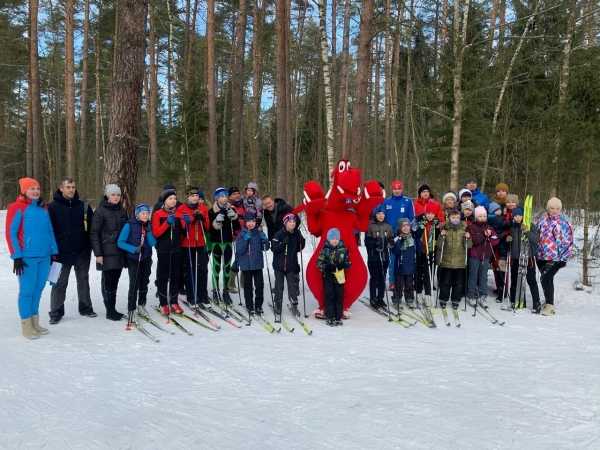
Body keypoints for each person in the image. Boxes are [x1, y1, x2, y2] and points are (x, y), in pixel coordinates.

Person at [5, 177, 58, 339]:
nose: (35, 191)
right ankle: (26, 325)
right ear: (24, 191)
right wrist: (17, 256)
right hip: (27, 258)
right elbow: (11, 233)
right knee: (27, 291)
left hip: (45, 256)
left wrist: (53, 252)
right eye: (31, 189)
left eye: (37, 189)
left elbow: (49, 231)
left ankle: (35, 322)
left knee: (38, 290)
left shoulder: (43, 208)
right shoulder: (16, 208)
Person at [48, 177, 96, 324]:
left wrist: (91, 247)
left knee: (83, 280)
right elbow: (49, 231)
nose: (71, 189)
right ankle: (56, 312)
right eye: (68, 187)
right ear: (61, 188)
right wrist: (52, 252)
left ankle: (85, 307)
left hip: (82, 251)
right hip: (60, 253)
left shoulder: (83, 206)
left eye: (73, 187)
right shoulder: (52, 207)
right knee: (59, 283)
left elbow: (92, 229)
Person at [90, 184, 128, 321]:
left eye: (118, 195)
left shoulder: (122, 211)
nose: (116, 197)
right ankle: (110, 311)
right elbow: (94, 233)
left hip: (120, 252)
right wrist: (98, 254)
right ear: (107, 195)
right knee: (108, 282)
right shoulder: (100, 211)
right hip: (106, 252)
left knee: (115, 281)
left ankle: (113, 308)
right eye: (113, 194)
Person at [117, 204, 157, 319]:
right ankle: (131, 308)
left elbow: (153, 243)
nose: (145, 215)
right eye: (143, 213)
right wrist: (134, 249)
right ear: (137, 215)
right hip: (134, 259)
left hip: (146, 258)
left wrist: (149, 232)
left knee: (144, 282)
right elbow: (120, 242)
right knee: (134, 284)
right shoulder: (129, 225)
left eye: (147, 213)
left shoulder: (149, 225)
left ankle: (141, 305)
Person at [535, 197, 573, 316]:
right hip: (541, 256)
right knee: (547, 279)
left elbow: (568, 241)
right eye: (552, 208)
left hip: (556, 258)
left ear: (560, 209)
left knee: (545, 278)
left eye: (557, 208)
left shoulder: (564, 223)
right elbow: (536, 235)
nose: (554, 210)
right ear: (548, 208)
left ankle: (550, 306)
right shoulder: (542, 221)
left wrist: (563, 257)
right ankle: (547, 302)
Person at [152, 188, 186, 314]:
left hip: (177, 249)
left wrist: (185, 223)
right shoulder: (158, 214)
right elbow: (156, 233)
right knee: (163, 276)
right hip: (163, 250)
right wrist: (167, 222)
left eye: (175, 199)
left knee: (175, 276)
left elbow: (183, 233)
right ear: (165, 201)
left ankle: (174, 301)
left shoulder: (178, 214)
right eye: (170, 199)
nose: (173, 201)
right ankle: (163, 303)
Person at [177, 186, 211, 308]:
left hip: (201, 243)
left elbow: (207, 227)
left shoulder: (203, 208)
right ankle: (192, 296)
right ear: (188, 197)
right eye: (192, 196)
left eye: (197, 196)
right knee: (190, 270)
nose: (195, 198)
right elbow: (181, 226)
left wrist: (202, 218)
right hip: (188, 244)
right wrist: (191, 218)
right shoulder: (181, 208)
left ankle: (203, 295)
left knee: (203, 269)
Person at [209, 187, 241, 305]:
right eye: (221, 196)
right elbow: (210, 229)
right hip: (216, 242)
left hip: (227, 242)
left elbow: (237, 227)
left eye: (225, 196)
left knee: (227, 268)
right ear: (216, 197)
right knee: (216, 268)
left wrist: (234, 216)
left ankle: (225, 291)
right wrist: (217, 221)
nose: (224, 198)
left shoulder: (231, 208)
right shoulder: (212, 211)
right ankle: (215, 291)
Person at [234, 212, 269, 315]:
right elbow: (239, 251)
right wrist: (246, 239)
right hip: (246, 266)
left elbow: (265, 248)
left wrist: (265, 240)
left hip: (257, 264)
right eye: (248, 221)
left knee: (259, 286)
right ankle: (249, 306)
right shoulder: (241, 234)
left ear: (255, 222)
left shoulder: (259, 233)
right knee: (248, 286)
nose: (251, 223)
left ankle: (258, 306)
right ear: (245, 222)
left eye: (253, 221)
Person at [271, 213, 306, 315]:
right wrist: (282, 244)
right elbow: (274, 248)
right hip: (279, 266)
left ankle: (294, 305)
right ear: (285, 223)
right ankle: (278, 304)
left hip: (291, 266)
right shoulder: (279, 234)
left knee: (292, 287)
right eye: (290, 222)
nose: (292, 224)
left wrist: (302, 242)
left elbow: (299, 248)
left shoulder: (297, 234)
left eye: (294, 222)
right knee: (279, 286)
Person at [508, 207, 541, 312]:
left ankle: (537, 303)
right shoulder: (512, 227)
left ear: (523, 215)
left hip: (528, 257)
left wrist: (527, 231)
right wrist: (507, 240)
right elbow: (508, 241)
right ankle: (515, 300)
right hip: (515, 258)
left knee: (531, 280)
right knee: (514, 280)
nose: (517, 218)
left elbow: (536, 240)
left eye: (519, 215)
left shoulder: (531, 226)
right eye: (515, 216)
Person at [382, 180, 415, 289]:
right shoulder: (387, 202)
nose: (397, 191)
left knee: (405, 260)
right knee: (393, 259)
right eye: (395, 189)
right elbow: (383, 217)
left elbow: (411, 217)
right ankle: (392, 282)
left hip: (404, 234)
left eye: (399, 188)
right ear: (392, 189)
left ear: (402, 189)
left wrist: (406, 230)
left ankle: (405, 282)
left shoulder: (407, 201)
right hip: (392, 235)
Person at [436, 209, 471, 311]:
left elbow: (469, 246)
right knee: (445, 282)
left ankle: (456, 300)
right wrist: (442, 236)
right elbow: (439, 245)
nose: (455, 219)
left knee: (458, 283)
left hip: (460, 263)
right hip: (446, 262)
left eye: (457, 217)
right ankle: (443, 299)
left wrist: (467, 238)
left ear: (460, 218)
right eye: (453, 217)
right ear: (449, 218)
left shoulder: (464, 229)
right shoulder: (445, 229)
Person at [317, 228, 351, 326]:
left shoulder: (343, 250)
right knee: (329, 295)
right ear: (329, 239)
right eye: (332, 238)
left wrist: (343, 265)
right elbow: (319, 263)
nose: (335, 240)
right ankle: (330, 316)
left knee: (339, 296)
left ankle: (338, 317)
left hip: (340, 276)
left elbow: (348, 263)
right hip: (328, 276)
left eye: (336, 238)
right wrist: (327, 267)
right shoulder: (325, 250)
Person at [466, 206, 499, 306]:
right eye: (480, 216)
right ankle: (471, 295)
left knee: (483, 276)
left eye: (484, 216)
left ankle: (482, 295)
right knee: (473, 276)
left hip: (486, 255)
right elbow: (474, 241)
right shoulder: (471, 227)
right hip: (474, 255)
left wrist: (490, 237)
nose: (482, 218)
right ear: (476, 217)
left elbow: (495, 240)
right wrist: (483, 235)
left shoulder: (489, 227)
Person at [364, 205, 394, 308]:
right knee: (374, 277)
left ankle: (380, 298)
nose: (381, 216)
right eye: (378, 214)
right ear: (375, 215)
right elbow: (366, 241)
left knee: (382, 277)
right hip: (374, 257)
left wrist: (389, 243)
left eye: (382, 214)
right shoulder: (370, 226)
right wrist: (375, 242)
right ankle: (373, 298)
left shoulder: (388, 226)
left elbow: (391, 240)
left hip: (384, 257)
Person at [414, 203, 440, 304]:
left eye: (432, 213)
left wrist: (438, 229)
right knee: (419, 273)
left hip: (430, 250)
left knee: (428, 273)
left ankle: (428, 294)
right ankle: (419, 292)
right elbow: (416, 234)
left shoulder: (435, 223)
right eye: (428, 213)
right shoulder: (420, 221)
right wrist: (421, 226)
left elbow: (437, 237)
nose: (430, 215)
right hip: (421, 251)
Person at [391, 218, 419, 308]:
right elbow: (395, 251)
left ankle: (409, 298)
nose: (406, 228)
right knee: (399, 284)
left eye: (407, 225)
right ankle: (397, 299)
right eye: (403, 226)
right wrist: (400, 240)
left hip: (410, 265)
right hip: (400, 265)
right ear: (400, 228)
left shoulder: (413, 237)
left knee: (409, 284)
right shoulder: (397, 238)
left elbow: (418, 248)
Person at [488, 201, 509, 302]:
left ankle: (502, 291)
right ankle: (501, 292)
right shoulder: (495, 218)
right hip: (498, 249)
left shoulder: (495, 218)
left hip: (500, 249)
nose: (500, 211)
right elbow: (505, 224)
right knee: (500, 270)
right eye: (497, 210)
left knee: (500, 270)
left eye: (500, 210)